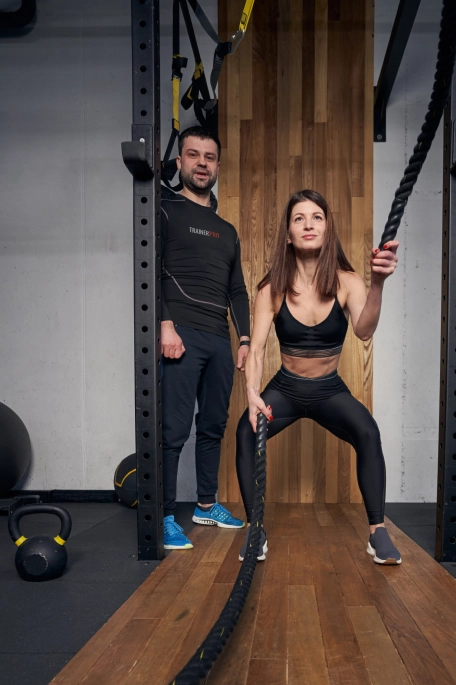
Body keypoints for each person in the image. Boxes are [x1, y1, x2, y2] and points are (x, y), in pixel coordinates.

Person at [236, 189, 402, 564]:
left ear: (327, 228)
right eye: (299, 218)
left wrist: (378, 284)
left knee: (368, 431)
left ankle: (378, 533)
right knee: (245, 432)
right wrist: (252, 395)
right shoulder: (271, 288)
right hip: (287, 389)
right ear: (289, 233)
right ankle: (255, 528)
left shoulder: (347, 281)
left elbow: (363, 331)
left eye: (317, 217)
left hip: (328, 390)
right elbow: (258, 349)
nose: (308, 224)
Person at [161, 126, 250, 550]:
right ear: (179, 163)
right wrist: (163, 325)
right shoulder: (162, 209)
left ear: (216, 166)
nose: (201, 163)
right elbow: (149, 273)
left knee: (213, 424)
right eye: (193, 155)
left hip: (218, 338)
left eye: (209, 157)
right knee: (174, 429)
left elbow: (237, 290)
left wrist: (246, 338)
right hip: (180, 332)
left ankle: (205, 504)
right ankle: (160, 516)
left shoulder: (227, 230)